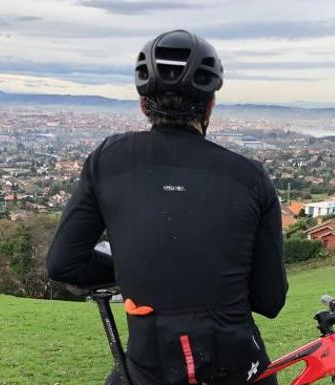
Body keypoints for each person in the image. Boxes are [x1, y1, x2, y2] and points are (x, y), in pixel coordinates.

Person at [47, 29, 288, 385]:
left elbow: (64, 263)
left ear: (144, 105)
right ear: (210, 106)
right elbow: (270, 299)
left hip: (151, 367)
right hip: (238, 367)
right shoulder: (249, 177)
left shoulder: (107, 161)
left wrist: (135, 266)